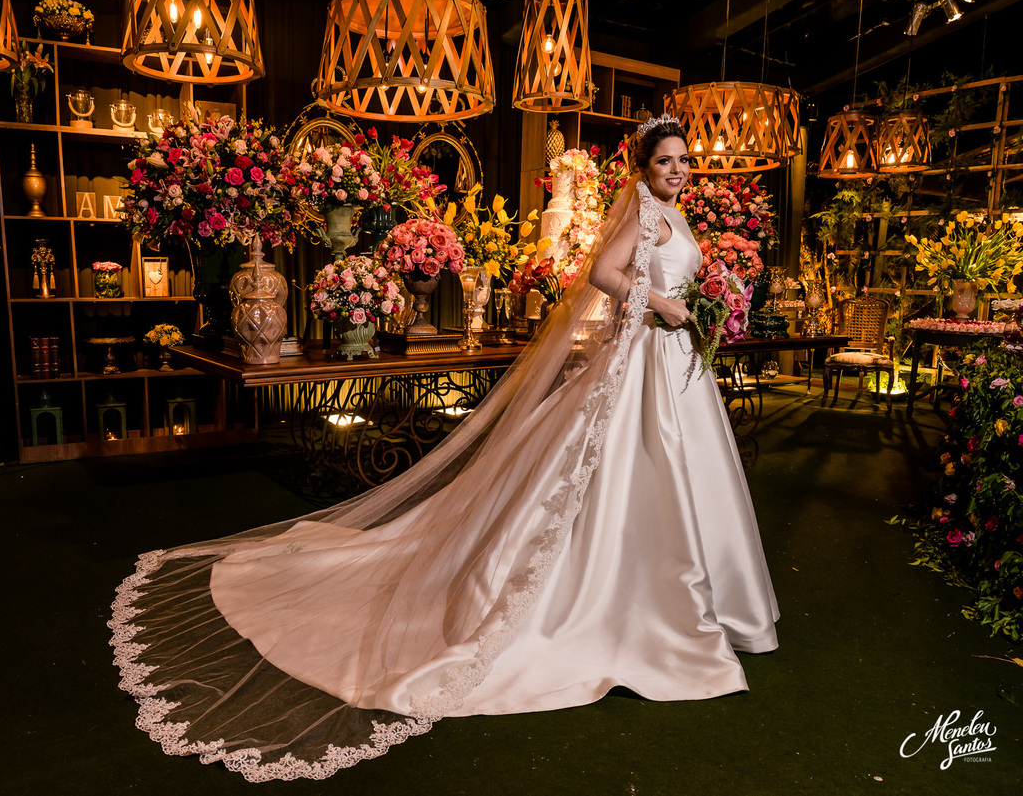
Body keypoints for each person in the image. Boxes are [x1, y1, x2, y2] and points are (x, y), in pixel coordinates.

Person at [110, 115, 779, 783]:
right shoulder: (642, 210)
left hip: (677, 365)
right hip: (641, 361)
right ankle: (632, 602)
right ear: (644, 167)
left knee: (688, 476)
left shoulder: (677, 216)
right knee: (621, 474)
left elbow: (675, 280)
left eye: (685, 161)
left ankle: (703, 597)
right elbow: (604, 271)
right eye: (667, 161)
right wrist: (660, 300)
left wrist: (701, 302)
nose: (679, 170)